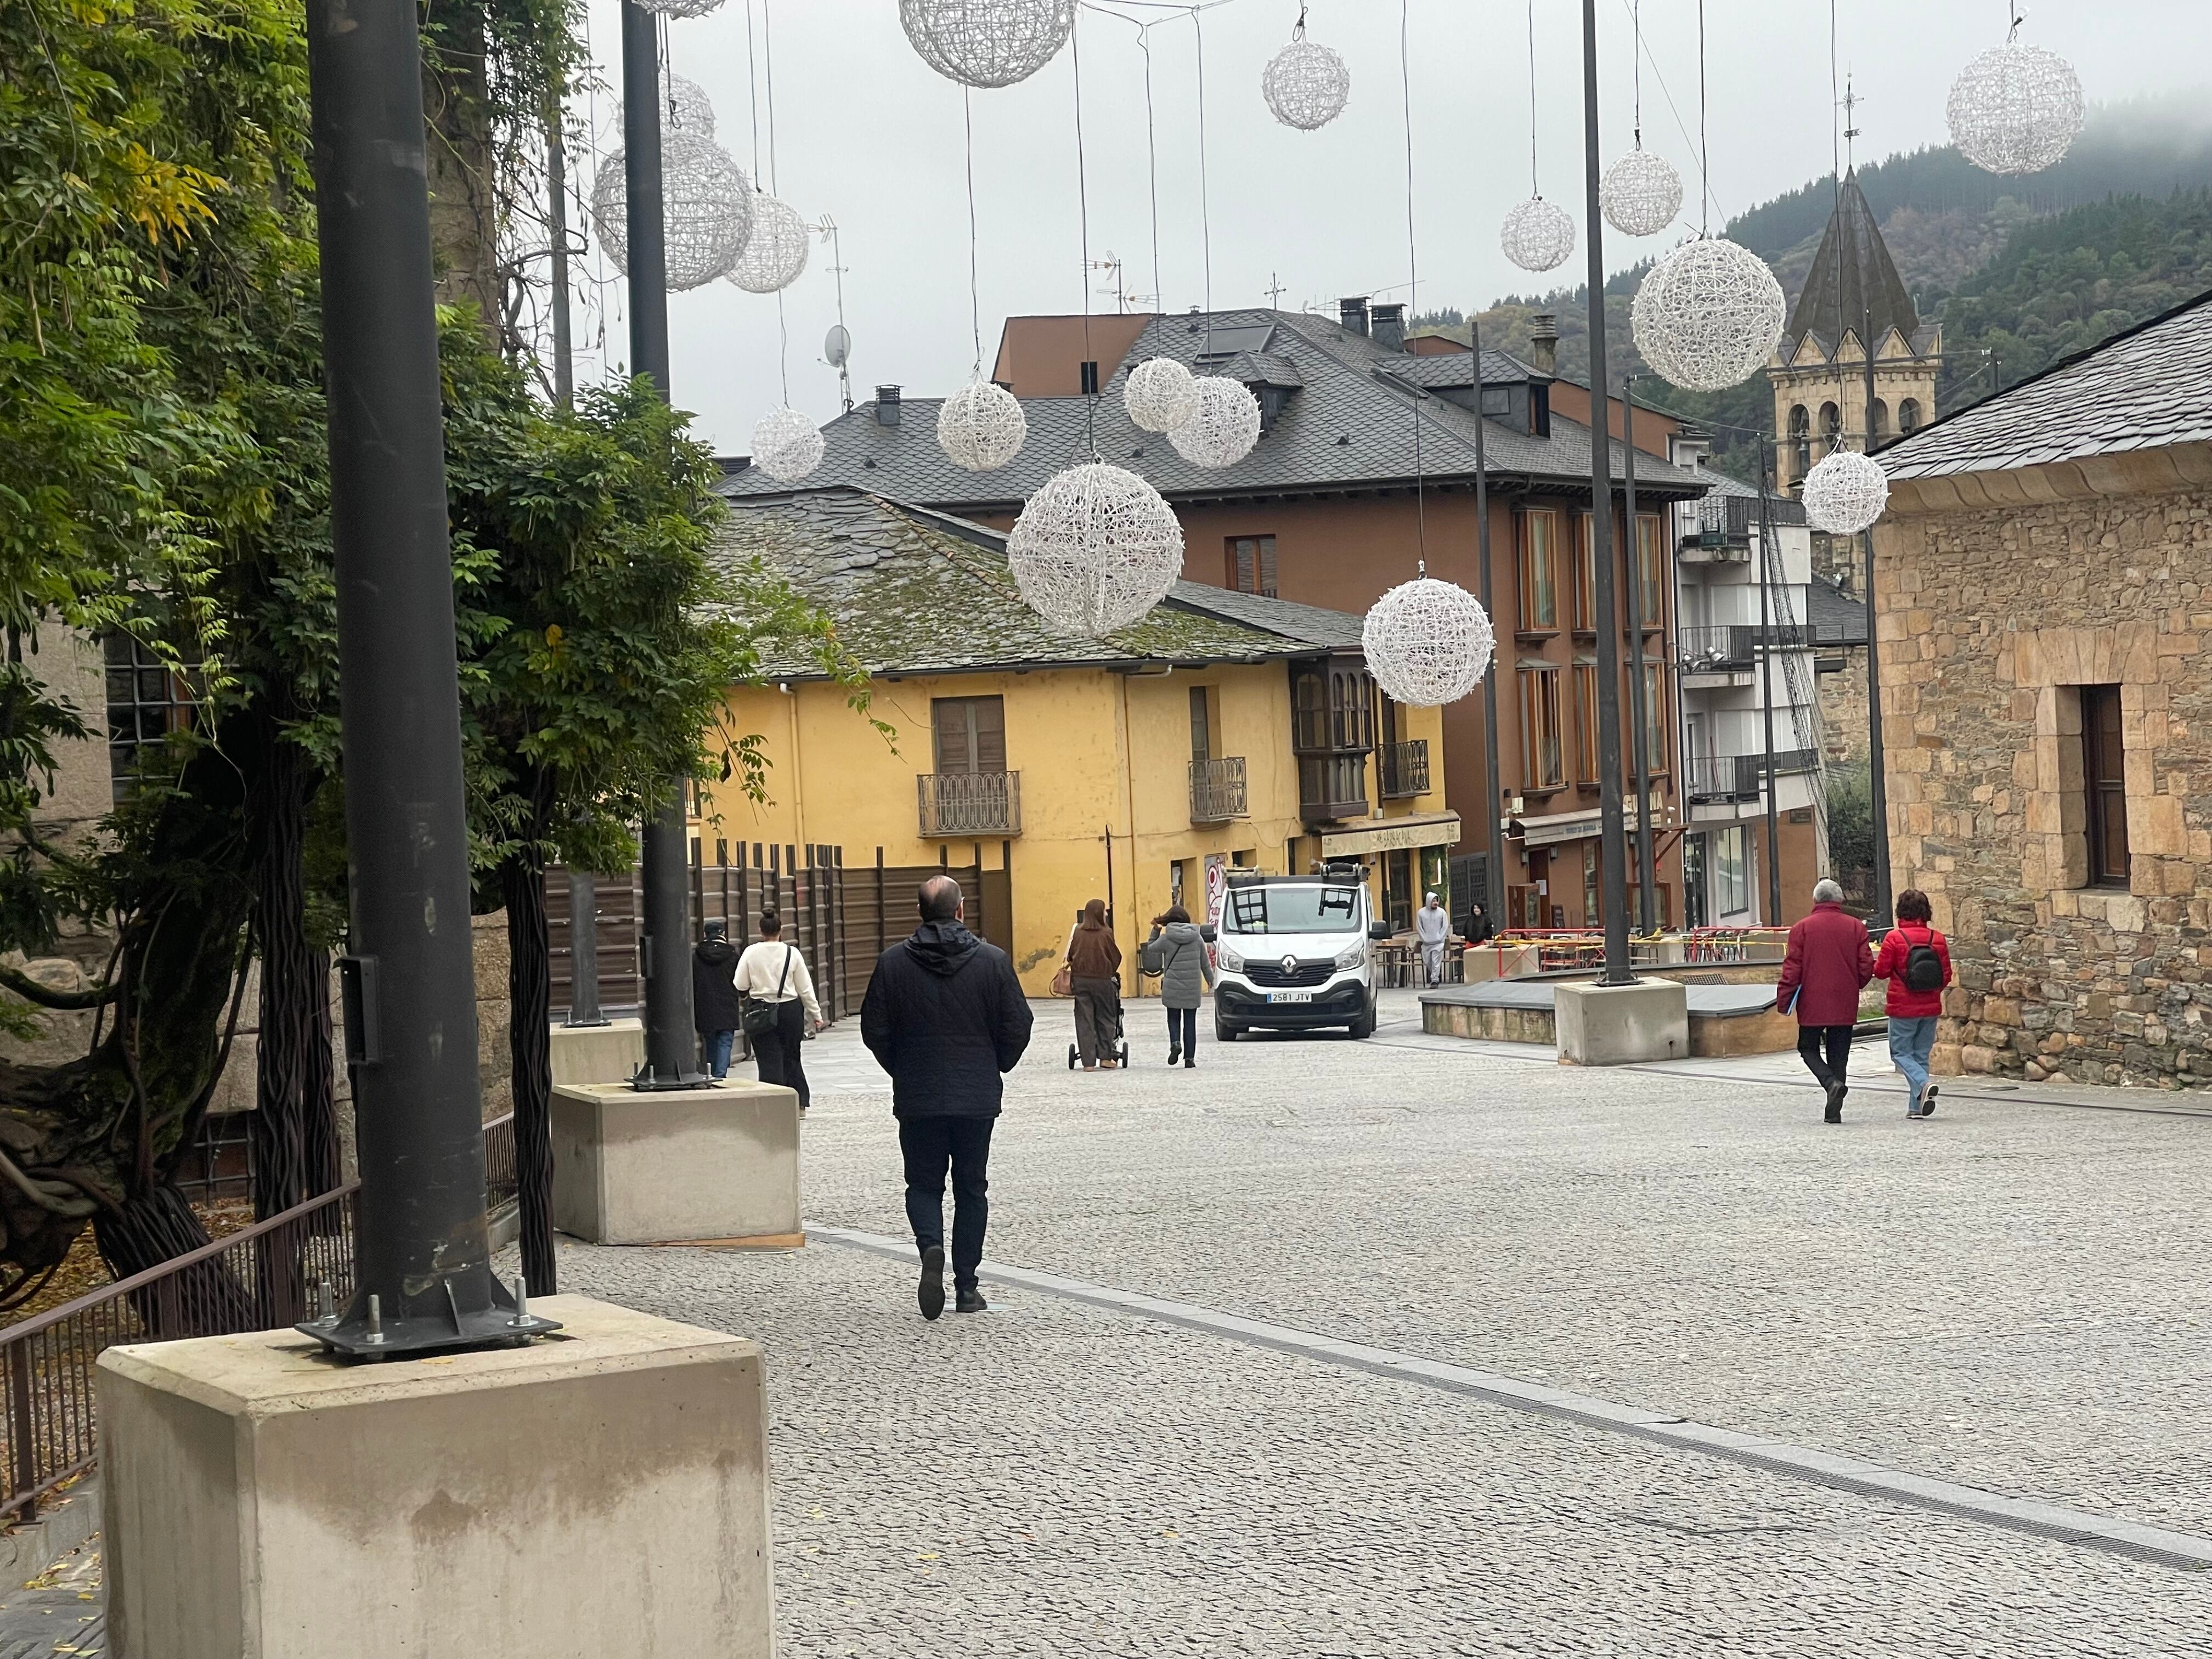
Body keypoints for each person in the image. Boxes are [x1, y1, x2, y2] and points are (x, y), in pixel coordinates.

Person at [861, 874, 1033, 1319]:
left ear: (920, 913)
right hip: (976, 1097)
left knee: (922, 1184)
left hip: (919, 1095)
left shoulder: (893, 963)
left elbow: (873, 1029)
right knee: (972, 1188)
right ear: (960, 911)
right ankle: (966, 1288)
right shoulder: (993, 962)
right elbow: (1019, 1023)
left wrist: (901, 1067)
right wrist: (995, 1064)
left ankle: (930, 1247)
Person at [1776, 878, 1875, 1124]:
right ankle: (1834, 1109)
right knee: (1839, 1054)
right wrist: (1854, 984)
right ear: (1840, 900)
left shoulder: (1801, 929)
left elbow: (1793, 968)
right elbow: (1866, 966)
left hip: (1812, 1001)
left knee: (1807, 1047)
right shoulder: (1856, 928)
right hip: (1844, 999)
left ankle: (1830, 1083)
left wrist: (1784, 998)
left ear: (1815, 901)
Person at [1874, 888, 1953, 1120]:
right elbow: (1946, 975)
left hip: (1902, 1006)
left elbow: (1881, 972)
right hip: (1930, 1007)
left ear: (1901, 911)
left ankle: (1923, 1083)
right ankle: (1916, 1107)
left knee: (1900, 1053)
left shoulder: (1894, 938)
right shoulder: (1937, 938)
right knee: (1920, 1055)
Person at [733, 909, 821, 1111]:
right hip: (790, 1009)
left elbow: (740, 983)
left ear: (760, 931)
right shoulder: (792, 953)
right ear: (781, 930)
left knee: (767, 1057)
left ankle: (772, 1104)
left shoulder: (751, 952)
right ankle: (799, 1103)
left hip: (761, 1009)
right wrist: (816, 1014)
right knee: (791, 1055)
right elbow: (805, 988)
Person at [1140, 905, 1214, 1066]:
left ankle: (1175, 1043)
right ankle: (1189, 1060)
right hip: (1192, 986)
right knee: (1190, 1021)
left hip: (1173, 984)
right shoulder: (1197, 938)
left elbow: (1151, 949)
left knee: (1173, 1017)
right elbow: (1205, 963)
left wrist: (1156, 931)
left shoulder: (1167, 938)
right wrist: (1211, 979)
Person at [1066, 898, 1122, 1071]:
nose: (1106, 914)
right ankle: (1105, 1057)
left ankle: (1088, 1062)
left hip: (1081, 981)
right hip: (1102, 981)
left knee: (1085, 1020)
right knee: (1105, 1018)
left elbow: (1070, 955)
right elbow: (1115, 956)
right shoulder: (1106, 933)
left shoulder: (1079, 933)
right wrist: (1109, 971)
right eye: (1105, 911)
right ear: (1099, 913)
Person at [693, 919, 742, 1079]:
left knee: (710, 1040)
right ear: (723, 934)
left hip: (705, 1005)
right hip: (727, 1004)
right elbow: (740, 981)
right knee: (725, 1040)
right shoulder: (733, 956)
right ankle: (720, 1074)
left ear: (706, 935)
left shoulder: (696, 956)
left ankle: (711, 1073)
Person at [1414, 891, 1453, 987]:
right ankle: (1436, 973)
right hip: (1426, 943)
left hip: (1438, 943)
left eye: (1436, 901)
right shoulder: (1421, 913)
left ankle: (1435, 980)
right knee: (1427, 961)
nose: (1435, 903)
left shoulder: (1442, 912)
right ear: (1428, 901)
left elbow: (1445, 926)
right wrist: (1424, 938)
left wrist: (1441, 937)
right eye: (1433, 901)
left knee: (1436, 961)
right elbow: (1419, 927)